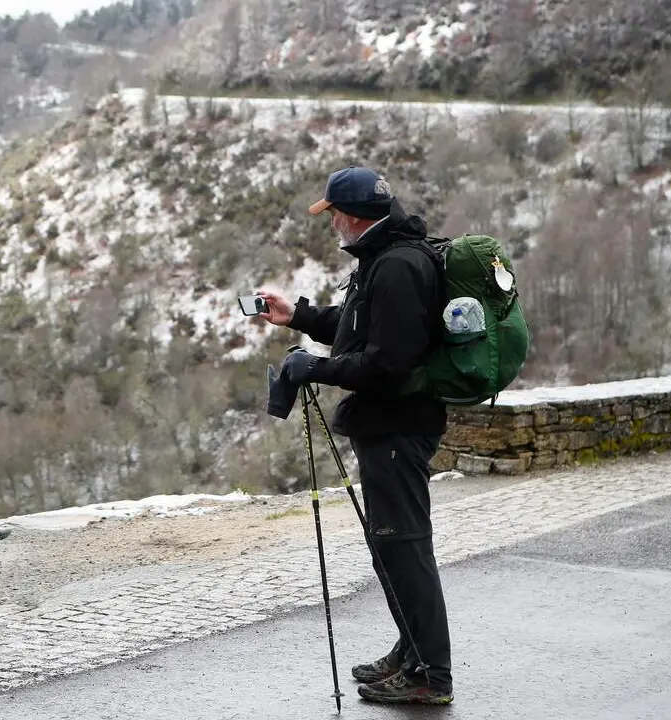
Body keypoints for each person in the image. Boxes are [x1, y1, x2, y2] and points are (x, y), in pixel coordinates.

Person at [255, 166, 454, 705]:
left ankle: (431, 675)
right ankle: (411, 651)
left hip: (398, 425)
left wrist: (313, 370)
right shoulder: (385, 259)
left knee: (405, 549)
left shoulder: (396, 266)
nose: (332, 224)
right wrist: (297, 316)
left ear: (352, 214)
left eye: (334, 214)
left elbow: (386, 364)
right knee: (390, 547)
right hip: (390, 425)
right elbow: (358, 329)